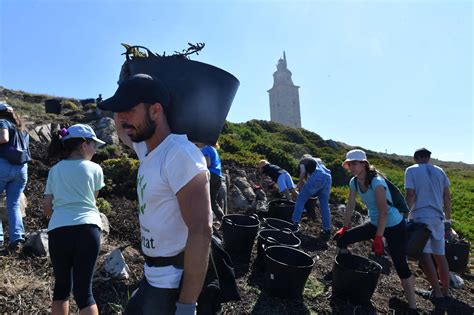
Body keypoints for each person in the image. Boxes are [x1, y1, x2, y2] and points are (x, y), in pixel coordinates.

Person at [98, 73, 212, 315]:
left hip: (172, 284)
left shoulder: (179, 155)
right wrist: (125, 81)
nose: (122, 117)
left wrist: (187, 305)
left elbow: (201, 230)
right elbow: (120, 129)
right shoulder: (147, 149)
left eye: (128, 109)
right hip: (152, 276)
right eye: (119, 111)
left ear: (155, 111)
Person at [334, 149, 417, 312]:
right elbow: (350, 205)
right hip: (374, 222)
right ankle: (340, 277)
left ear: (364, 164)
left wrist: (378, 238)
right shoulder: (354, 182)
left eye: (354, 163)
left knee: (400, 265)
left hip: (394, 225)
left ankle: (413, 306)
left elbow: (384, 212)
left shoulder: (377, 182)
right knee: (342, 240)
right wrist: (345, 226)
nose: (351, 167)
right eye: (349, 164)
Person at [44, 124, 106, 315]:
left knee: (61, 289)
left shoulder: (55, 170)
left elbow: (47, 207)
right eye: (94, 145)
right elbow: (92, 201)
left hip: (59, 230)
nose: (96, 150)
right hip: (88, 229)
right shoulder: (96, 169)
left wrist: (61, 218)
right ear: (83, 145)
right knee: (84, 292)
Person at [405, 148, 451, 308]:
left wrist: (405, 215)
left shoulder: (411, 170)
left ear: (415, 158)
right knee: (440, 255)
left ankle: (437, 293)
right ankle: (445, 291)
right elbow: (447, 196)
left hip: (421, 217)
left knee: (425, 256)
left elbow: (410, 195)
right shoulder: (440, 171)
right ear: (429, 157)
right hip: (438, 217)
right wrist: (448, 219)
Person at [0, 102, 29, 252]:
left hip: (3, 166)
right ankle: (16, 239)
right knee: (13, 204)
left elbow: (3, 138)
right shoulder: (22, 129)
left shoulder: (2, 122)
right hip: (21, 169)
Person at [292, 154, 332, 237]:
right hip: (328, 178)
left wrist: (299, 185)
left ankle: (295, 222)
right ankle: (327, 228)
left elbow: (303, 173)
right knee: (324, 205)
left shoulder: (303, 161)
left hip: (317, 177)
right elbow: (308, 179)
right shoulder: (318, 160)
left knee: (300, 199)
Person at [197, 143, 225, 220]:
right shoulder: (213, 149)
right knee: (213, 202)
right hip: (218, 176)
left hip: (211, 176)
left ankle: (203, 220)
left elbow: (208, 164)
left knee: (201, 198)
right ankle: (224, 221)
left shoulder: (205, 149)